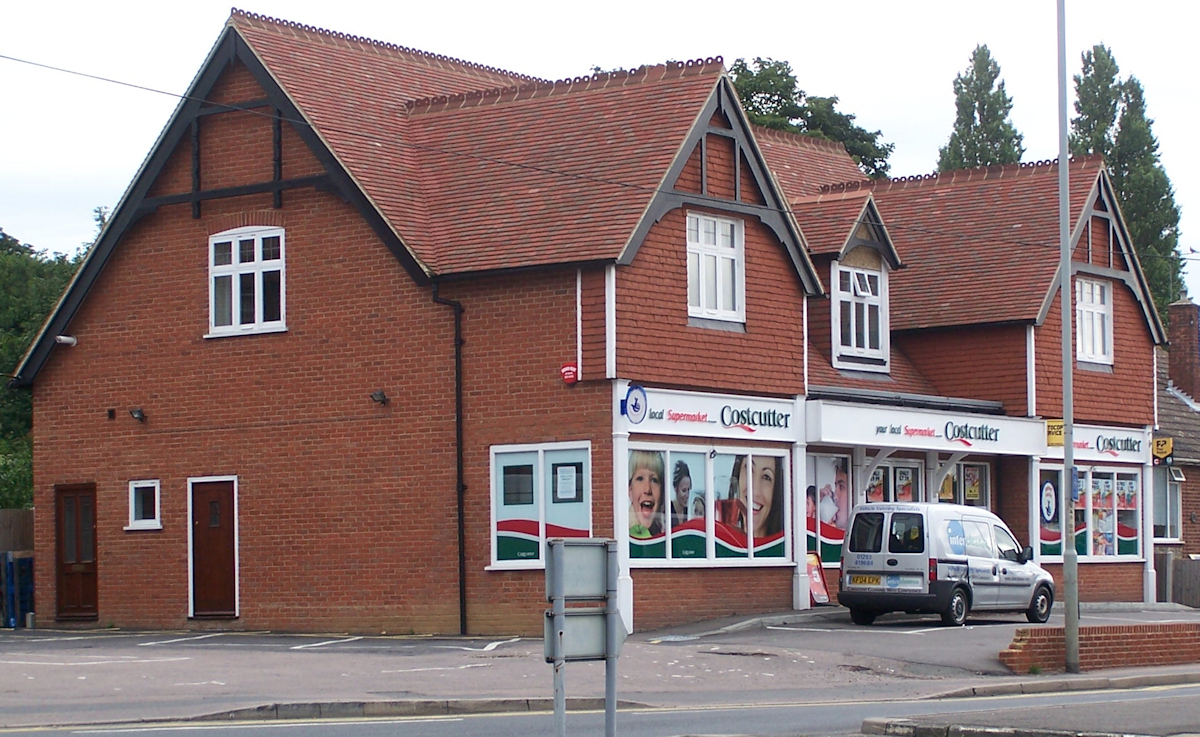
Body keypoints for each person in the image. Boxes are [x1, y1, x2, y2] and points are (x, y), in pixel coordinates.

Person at [728, 455, 785, 539]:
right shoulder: (722, 542)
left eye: (766, 477)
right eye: (749, 470)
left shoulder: (784, 548)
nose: (755, 491)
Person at [628, 450, 664, 539]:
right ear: (630, 490)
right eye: (640, 479)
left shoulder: (667, 534)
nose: (647, 489)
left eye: (654, 480)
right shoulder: (621, 533)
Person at [671, 460, 693, 529]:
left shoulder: (689, 513)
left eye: (689, 490)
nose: (687, 495)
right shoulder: (666, 511)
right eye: (684, 490)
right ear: (675, 488)